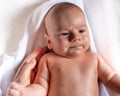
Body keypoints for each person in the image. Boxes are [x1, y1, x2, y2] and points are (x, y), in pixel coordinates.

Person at [6, 3, 120, 96]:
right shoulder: (49, 60)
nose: (75, 38)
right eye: (65, 33)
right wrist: (25, 92)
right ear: (49, 41)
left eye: (81, 31)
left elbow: (110, 78)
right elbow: (41, 87)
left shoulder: (94, 58)